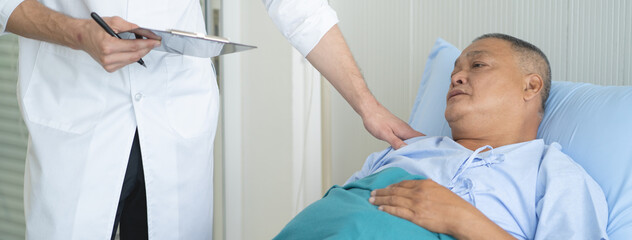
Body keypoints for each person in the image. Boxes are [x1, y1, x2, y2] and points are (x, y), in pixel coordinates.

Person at [0, 0, 421, 239]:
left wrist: (367, 104)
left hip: (174, 108)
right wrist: (77, 33)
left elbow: (297, 6)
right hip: (76, 105)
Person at [274, 34, 608, 239]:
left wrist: (464, 221)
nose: (458, 77)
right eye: (454, 71)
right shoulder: (404, 151)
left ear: (530, 86)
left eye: (477, 65)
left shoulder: (554, 173)